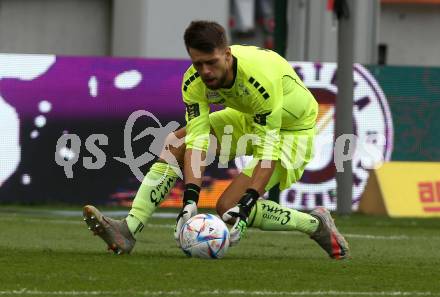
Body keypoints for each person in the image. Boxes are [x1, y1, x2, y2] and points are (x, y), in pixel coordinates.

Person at [83, 20, 349, 259]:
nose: (205, 71)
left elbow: (267, 153)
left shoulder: (260, 82)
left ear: (227, 55)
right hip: (247, 116)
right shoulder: (193, 82)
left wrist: (246, 206)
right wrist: (190, 201)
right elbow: (197, 143)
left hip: (293, 131)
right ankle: (128, 230)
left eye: (212, 62)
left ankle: (316, 224)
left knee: (228, 207)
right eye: (198, 63)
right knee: (176, 143)